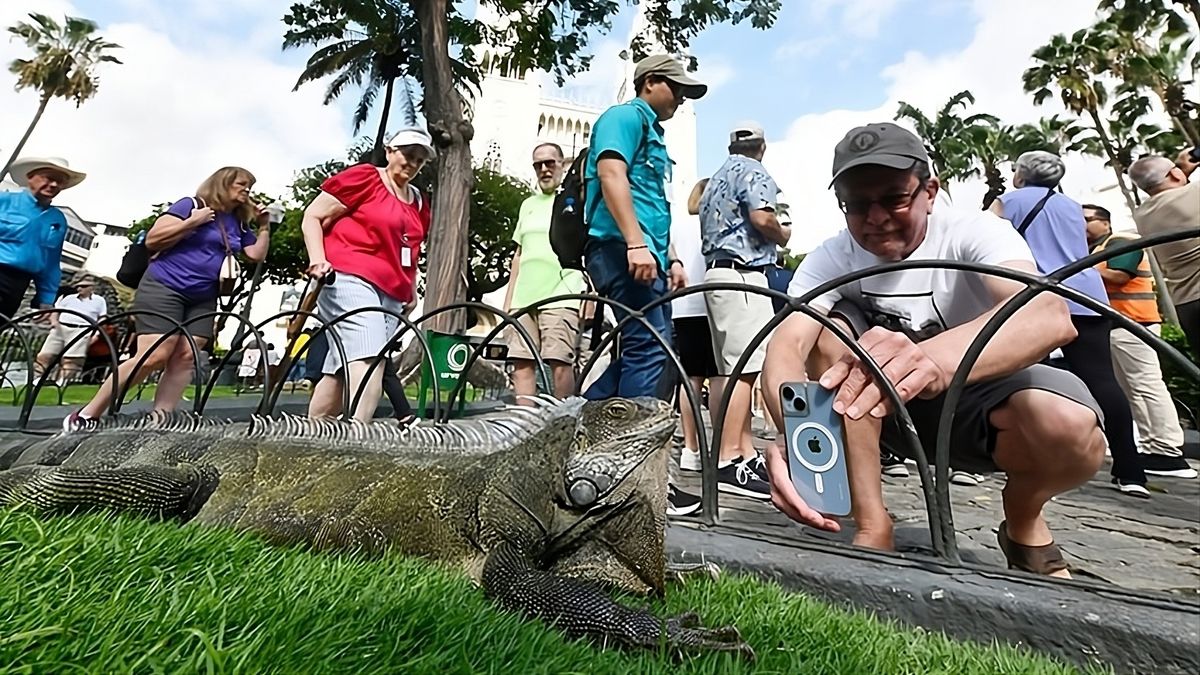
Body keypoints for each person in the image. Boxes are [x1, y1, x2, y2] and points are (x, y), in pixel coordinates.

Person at [762, 123, 1106, 579]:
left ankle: (1023, 518)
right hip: (872, 412)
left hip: (979, 401)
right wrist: (796, 433)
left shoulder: (975, 231)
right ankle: (872, 522)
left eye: (894, 199)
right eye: (857, 205)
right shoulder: (833, 255)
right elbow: (787, 344)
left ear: (929, 190)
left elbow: (1046, 315)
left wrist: (931, 360)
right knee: (833, 327)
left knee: (1068, 426)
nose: (876, 217)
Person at [583, 54, 706, 515]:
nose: (680, 99)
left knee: (648, 351)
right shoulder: (623, 117)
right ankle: (630, 476)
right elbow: (611, 173)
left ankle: (574, 430)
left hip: (645, 256)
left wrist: (669, 256)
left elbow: (653, 203)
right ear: (650, 81)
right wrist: (635, 245)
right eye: (676, 89)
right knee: (648, 350)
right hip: (619, 250)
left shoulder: (654, 131)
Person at [991, 151, 1149, 497]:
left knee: (1022, 378)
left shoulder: (1008, 202)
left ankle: (1023, 459)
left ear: (1021, 174)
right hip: (1087, 294)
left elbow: (985, 242)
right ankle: (1130, 469)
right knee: (1103, 380)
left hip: (1035, 297)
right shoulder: (1072, 206)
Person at [66, 167, 272, 429]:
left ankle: (160, 420)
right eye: (242, 184)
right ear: (223, 183)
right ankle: (86, 414)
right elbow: (154, 239)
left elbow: (255, 255)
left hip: (204, 295)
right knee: (154, 355)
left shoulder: (238, 221)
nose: (247, 190)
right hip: (166, 286)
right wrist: (193, 222)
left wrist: (264, 225)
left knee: (186, 356)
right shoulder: (191, 205)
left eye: (250, 186)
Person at [302, 126, 432, 423]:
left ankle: (310, 433)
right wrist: (317, 259)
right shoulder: (366, 178)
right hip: (349, 275)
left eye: (419, 160)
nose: (412, 163)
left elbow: (411, 248)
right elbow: (313, 216)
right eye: (407, 154)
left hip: (392, 292)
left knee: (339, 369)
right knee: (369, 360)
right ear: (389, 151)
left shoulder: (420, 202)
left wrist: (411, 288)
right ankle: (359, 439)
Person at [697, 122, 792, 500]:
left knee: (732, 367)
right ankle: (727, 460)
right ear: (763, 146)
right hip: (743, 274)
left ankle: (743, 451)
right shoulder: (753, 171)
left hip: (718, 272)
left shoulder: (717, 178)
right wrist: (783, 234)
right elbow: (762, 218)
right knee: (746, 370)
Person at [1084, 204, 1194, 479]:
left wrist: (1077, 270)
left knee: (1145, 385)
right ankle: (1151, 446)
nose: (1081, 225)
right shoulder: (1096, 249)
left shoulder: (1122, 241)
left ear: (1105, 222)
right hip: (1116, 325)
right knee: (1130, 388)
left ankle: (1167, 451)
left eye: (1086, 219)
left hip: (1133, 324)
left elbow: (1121, 276)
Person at [502, 142, 585, 402]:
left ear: (562, 165)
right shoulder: (527, 205)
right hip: (524, 298)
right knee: (521, 363)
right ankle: (524, 427)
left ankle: (561, 424)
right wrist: (508, 301)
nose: (545, 169)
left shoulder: (574, 201)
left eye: (550, 163)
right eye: (539, 165)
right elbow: (519, 254)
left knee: (559, 361)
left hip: (562, 293)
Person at [1128, 149, 1200, 354]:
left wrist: (1178, 170)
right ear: (1175, 174)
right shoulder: (1194, 193)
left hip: (1187, 305)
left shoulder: (1143, 215)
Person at [0, 157, 85, 321]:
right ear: (30, 177)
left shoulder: (57, 220)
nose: (54, 185)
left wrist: (46, 299)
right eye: (49, 178)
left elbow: (51, 263)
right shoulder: (4, 201)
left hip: (18, 284)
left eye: (60, 182)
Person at [36, 276, 108, 384]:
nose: (80, 289)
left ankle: (62, 383)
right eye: (78, 286)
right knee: (45, 355)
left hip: (82, 329)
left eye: (84, 286)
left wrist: (96, 334)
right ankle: (36, 380)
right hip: (61, 327)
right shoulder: (68, 298)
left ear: (92, 287)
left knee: (72, 359)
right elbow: (56, 310)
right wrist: (54, 322)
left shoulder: (99, 301)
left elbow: (102, 318)